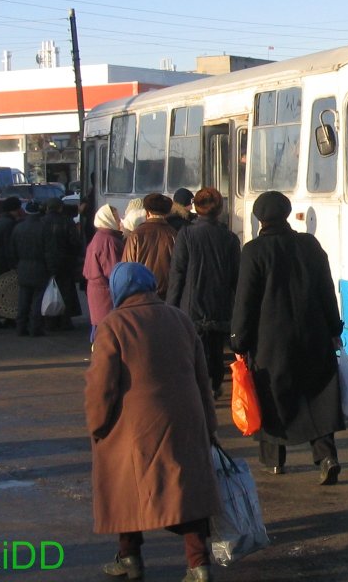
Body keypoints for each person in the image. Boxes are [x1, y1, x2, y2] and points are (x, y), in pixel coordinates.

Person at [86, 262, 222, 582]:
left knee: (125, 489)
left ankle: (130, 556)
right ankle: (198, 563)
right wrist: (209, 425)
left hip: (134, 425)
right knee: (184, 492)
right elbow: (203, 378)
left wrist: (98, 425)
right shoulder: (181, 319)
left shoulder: (113, 325)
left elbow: (102, 385)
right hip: (185, 420)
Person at [230, 191, 345, 484]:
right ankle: (327, 456)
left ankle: (275, 461)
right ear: (286, 213)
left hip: (270, 340)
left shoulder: (254, 251)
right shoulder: (309, 244)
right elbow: (326, 290)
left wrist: (239, 341)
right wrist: (334, 329)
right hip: (313, 333)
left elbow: (246, 301)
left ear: (259, 218)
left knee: (271, 396)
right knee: (317, 395)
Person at [167, 188, 241, 398]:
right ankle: (215, 383)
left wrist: (171, 307)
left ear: (197, 208)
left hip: (191, 304)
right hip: (219, 304)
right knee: (216, 347)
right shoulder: (230, 238)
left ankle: (198, 385)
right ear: (219, 210)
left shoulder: (187, 234)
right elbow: (236, 277)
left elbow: (178, 273)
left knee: (193, 348)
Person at [82, 204, 125, 343]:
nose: (120, 221)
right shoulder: (109, 240)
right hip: (106, 293)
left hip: (98, 291)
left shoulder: (100, 236)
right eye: (116, 218)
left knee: (99, 328)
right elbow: (114, 271)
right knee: (106, 332)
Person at [121, 193, 177, 299]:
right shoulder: (173, 234)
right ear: (167, 213)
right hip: (167, 294)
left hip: (141, 293)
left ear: (147, 212)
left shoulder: (136, 234)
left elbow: (127, 266)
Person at [41, 197, 83, 330]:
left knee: (48, 290)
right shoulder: (67, 222)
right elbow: (75, 242)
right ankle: (65, 320)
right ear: (60, 208)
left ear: (47, 208)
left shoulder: (41, 222)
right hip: (65, 261)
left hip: (46, 261)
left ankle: (49, 320)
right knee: (65, 291)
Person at [10, 201, 48, 337]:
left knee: (23, 300)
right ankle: (36, 328)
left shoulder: (18, 228)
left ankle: (20, 327)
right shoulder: (44, 228)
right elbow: (49, 251)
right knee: (38, 300)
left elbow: (12, 250)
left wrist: (17, 265)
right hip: (40, 268)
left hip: (23, 267)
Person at [0, 196, 22, 327]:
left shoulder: (0, 222)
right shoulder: (9, 224)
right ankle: (5, 318)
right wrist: (13, 264)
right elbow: (10, 246)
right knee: (7, 291)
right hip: (4, 264)